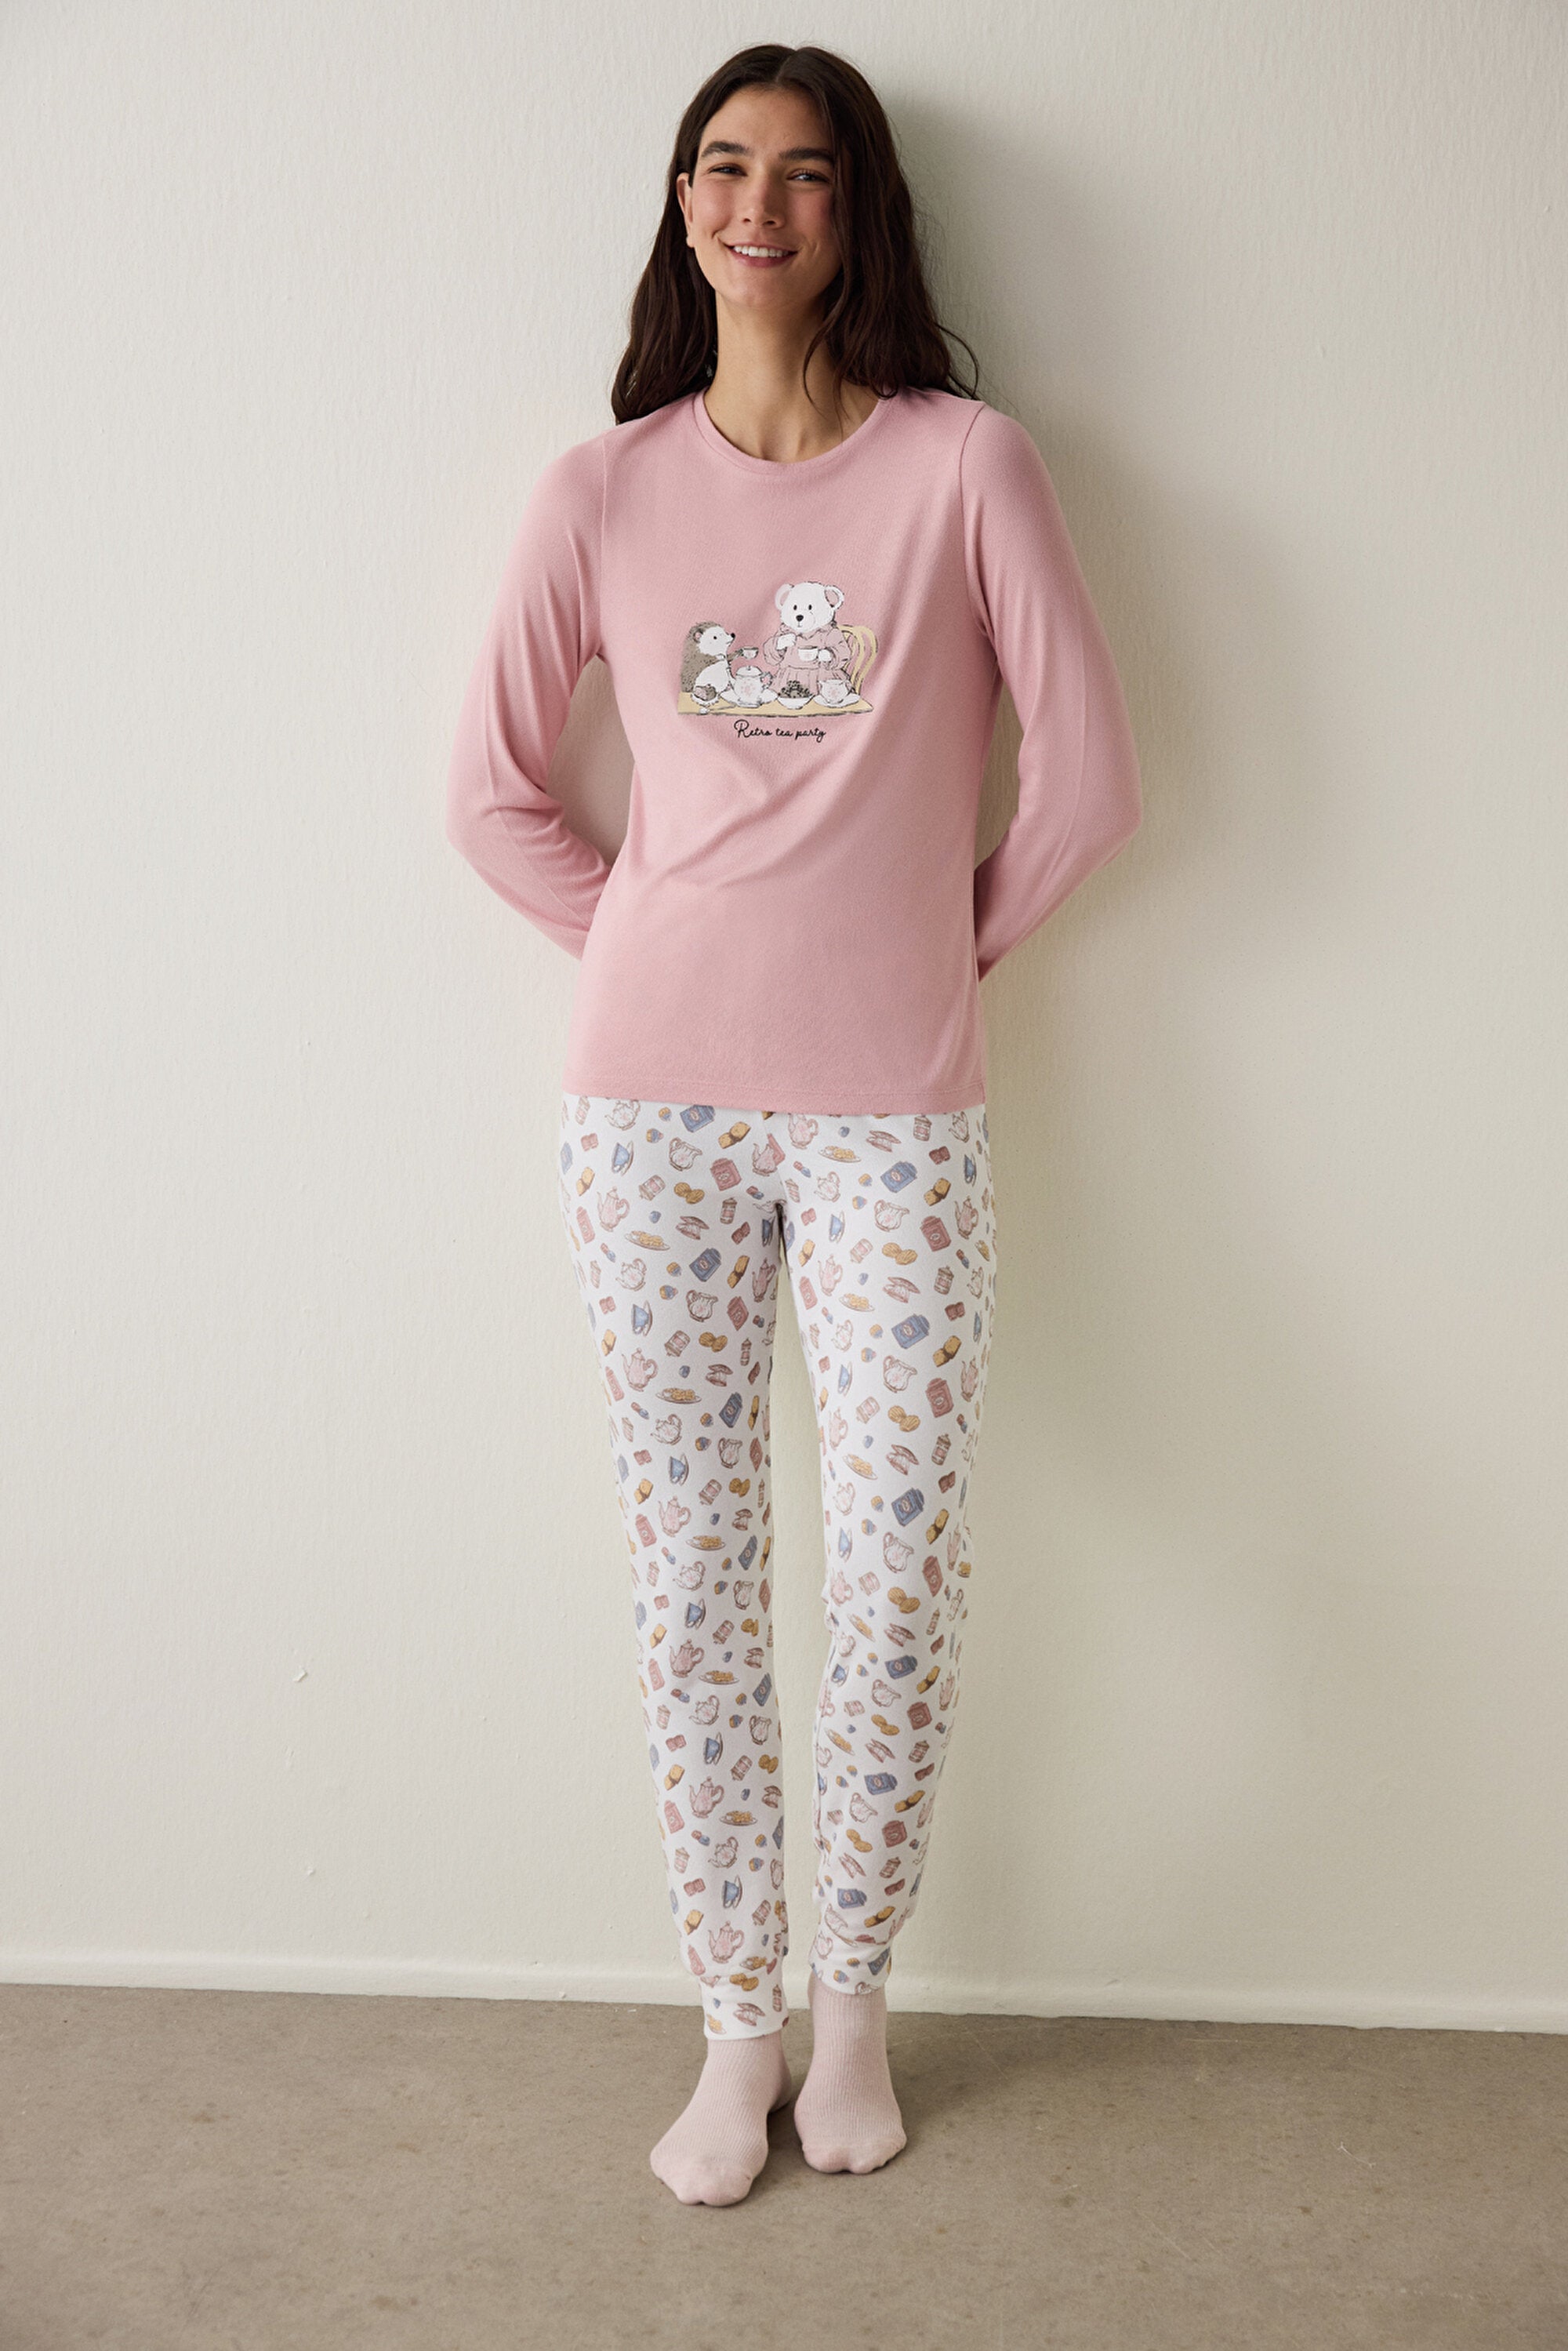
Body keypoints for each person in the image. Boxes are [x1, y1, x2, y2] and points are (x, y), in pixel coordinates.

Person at [445, 42, 1142, 2207]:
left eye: (806, 172)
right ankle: (732, 2025)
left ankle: (854, 2008)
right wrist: (667, 940)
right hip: (645, 1115)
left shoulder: (967, 470)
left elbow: (1090, 786)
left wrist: (923, 955)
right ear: (682, 206)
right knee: (692, 1580)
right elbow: (490, 795)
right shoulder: (600, 492)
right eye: (723, 165)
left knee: (897, 1564)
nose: (760, 203)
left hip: (891, 1120)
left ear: (859, 216)